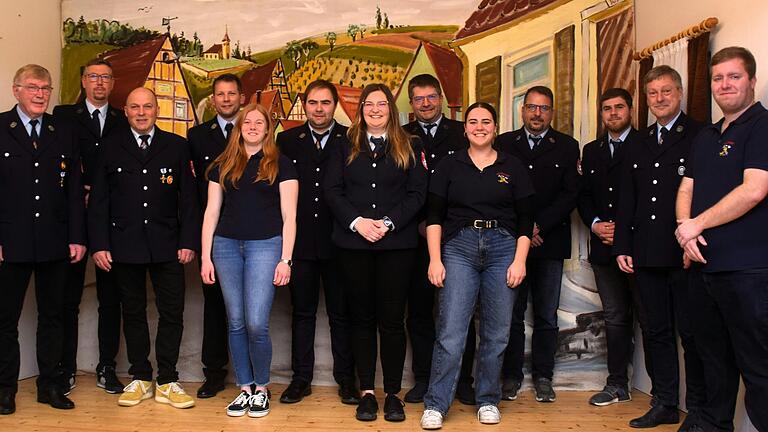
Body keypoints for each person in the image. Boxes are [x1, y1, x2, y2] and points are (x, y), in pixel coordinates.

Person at [419, 102, 533, 430]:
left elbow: (526, 218)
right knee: (451, 330)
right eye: (473, 122)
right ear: (465, 128)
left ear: (495, 127)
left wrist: (519, 260)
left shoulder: (513, 166)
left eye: (486, 121)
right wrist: (435, 259)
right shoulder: (448, 165)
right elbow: (435, 216)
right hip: (459, 248)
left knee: (497, 332)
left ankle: (487, 400)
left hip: (503, 249)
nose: (479, 126)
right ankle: (436, 404)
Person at [88, 87, 200, 409]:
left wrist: (188, 241)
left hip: (168, 245)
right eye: (134, 107)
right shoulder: (110, 147)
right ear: (126, 111)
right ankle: (140, 377)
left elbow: (189, 201)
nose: (141, 112)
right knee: (132, 312)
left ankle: (167, 379)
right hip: (125, 245)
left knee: (172, 313)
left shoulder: (177, 147)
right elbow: (98, 202)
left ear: (156, 110)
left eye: (147, 107)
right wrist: (100, 245)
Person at [675, 46, 768, 432]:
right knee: (713, 358)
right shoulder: (707, 135)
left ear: (752, 81)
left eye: (734, 76)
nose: (724, 84)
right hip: (703, 267)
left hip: (747, 270)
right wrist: (685, 230)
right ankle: (715, 425)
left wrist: (696, 225)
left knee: (759, 364)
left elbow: (754, 190)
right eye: (717, 78)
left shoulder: (762, 126)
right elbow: (686, 187)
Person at [324, 83, 427, 422]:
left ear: (391, 109)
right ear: (361, 108)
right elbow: (332, 190)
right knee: (362, 319)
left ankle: (393, 394)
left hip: (396, 245)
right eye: (370, 104)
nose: (376, 109)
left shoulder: (410, 144)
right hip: (354, 245)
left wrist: (386, 223)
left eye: (382, 104)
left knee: (393, 321)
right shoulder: (343, 144)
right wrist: (357, 222)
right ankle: (368, 392)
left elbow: (417, 194)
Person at [613, 65, 706, 429]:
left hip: (683, 251)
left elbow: (703, 194)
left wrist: (691, 240)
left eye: (666, 91)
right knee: (656, 331)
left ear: (679, 93)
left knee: (692, 333)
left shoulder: (700, 134)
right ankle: (664, 402)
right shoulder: (638, 140)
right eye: (653, 93)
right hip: (647, 251)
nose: (659, 99)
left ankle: (697, 409)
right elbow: (628, 196)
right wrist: (623, 243)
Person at [201, 103, 298, 418]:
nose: (254, 126)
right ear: (239, 127)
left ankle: (262, 387)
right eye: (248, 122)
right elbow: (211, 213)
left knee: (256, 322)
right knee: (236, 321)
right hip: (226, 247)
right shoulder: (223, 164)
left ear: (268, 130)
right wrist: (205, 257)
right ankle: (245, 388)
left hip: (266, 247)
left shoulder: (282, 164)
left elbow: (290, 216)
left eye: (260, 122)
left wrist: (286, 259)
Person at [0, 64, 86, 414]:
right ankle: (5, 389)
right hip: (11, 241)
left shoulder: (61, 130)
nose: (40, 94)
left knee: (53, 316)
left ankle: (49, 385)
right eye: (33, 87)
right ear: (15, 90)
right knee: (5, 320)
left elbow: (74, 190)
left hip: (55, 239)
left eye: (46, 88)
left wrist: (77, 237)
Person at [496, 85, 580, 403]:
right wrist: (522, 229)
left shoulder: (567, 147)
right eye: (531, 107)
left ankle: (543, 377)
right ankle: (511, 377)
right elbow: (498, 193)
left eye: (543, 108)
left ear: (551, 112)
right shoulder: (504, 144)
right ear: (522, 110)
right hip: (509, 244)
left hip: (550, 242)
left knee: (546, 315)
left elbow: (570, 194)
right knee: (512, 314)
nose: (537, 113)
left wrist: (536, 226)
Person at [276, 80, 358, 405]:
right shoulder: (286, 140)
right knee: (302, 313)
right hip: (302, 243)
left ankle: (346, 381)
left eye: (325, 102)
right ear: (305, 105)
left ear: (334, 105)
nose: (319, 108)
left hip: (341, 242)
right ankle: (300, 379)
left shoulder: (351, 139)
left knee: (341, 315)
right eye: (313, 102)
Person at [53, 58, 127, 395]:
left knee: (111, 299)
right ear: (83, 81)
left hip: (109, 219)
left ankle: (106, 366)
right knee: (66, 297)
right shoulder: (63, 116)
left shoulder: (121, 119)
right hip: (71, 219)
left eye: (106, 78)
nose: (99, 83)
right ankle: (64, 366)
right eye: (93, 77)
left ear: (112, 84)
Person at [401, 74, 475, 406]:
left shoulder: (462, 134)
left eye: (431, 97)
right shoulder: (400, 137)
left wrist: (446, 225)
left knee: (461, 312)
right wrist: (420, 223)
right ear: (411, 104)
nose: (426, 104)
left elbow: (476, 184)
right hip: (413, 238)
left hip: (458, 235)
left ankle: (463, 380)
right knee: (418, 311)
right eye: (419, 99)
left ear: (441, 99)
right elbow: (396, 187)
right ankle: (424, 378)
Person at [578, 88, 649, 406]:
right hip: (604, 248)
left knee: (651, 318)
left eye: (619, 107)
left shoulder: (646, 145)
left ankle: (661, 391)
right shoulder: (591, 151)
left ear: (631, 110)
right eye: (607, 108)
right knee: (615, 317)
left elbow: (650, 197)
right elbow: (583, 195)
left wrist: (624, 230)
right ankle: (617, 384)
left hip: (639, 246)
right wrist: (594, 223)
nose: (613, 113)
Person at [188, 73, 245, 399]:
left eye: (231, 93)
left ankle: (251, 375)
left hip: (252, 234)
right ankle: (214, 373)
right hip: (215, 234)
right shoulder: (197, 137)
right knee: (215, 306)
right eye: (220, 94)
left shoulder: (256, 131)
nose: (225, 99)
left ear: (241, 96)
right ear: (213, 99)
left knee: (250, 310)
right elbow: (194, 194)